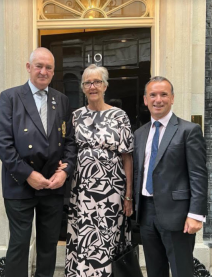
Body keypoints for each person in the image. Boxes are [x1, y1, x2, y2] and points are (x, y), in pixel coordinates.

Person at [0, 47, 77, 277]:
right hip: (20, 184)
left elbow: (70, 142)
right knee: (19, 245)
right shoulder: (10, 97)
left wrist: (65, 171)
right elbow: (0, 141)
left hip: (52, 185)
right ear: (29, 67)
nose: (43, 71)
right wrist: (28, 174)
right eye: (39, 66)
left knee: (48, 246)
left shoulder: (61, 100)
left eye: (48, 67)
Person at [133, 76, 208, 277]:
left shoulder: (188, 131)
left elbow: (198, 175)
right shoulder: (139, 134)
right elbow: (139, 171)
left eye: (164, 94)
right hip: (147, 213)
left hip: (179, 215)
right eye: (153, 95)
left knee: (181, 271)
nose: (158, 99)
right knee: (154, 271)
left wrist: (196, 214)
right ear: (145, 100)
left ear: (172, 98)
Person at [65, 64, 134, 277]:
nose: (92, 86)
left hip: (112, 191)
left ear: (105, 86)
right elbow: (66, 149)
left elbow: (127, 156)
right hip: (83, 191)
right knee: (84, 237)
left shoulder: (119, 116)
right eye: (88, 82)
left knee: (107, 238)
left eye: (97, 82)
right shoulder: (75, 116)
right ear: (83, 87)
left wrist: (128, 195)